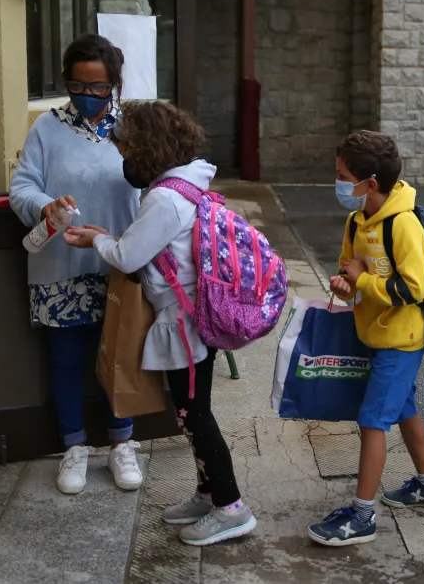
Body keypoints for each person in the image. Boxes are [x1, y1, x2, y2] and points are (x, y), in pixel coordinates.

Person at [64, 100, 256, 546]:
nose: (124, 158)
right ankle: (209, 493)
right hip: (187, 317)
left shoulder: (166, 198)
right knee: (191, 410)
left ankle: (232, 508)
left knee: (195, 414)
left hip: (184, 324)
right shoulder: (181, 187)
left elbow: (129, 255)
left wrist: (97, 239)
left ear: (147, 147)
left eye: (127, 148)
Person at [9, 33, 142, 495]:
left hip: (119, 265)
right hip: (60, 264)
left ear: (115, 85)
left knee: (120, 357)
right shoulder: (47, 128)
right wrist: (44, 204)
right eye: (78, 86)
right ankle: (74, 447)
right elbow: (21, 187)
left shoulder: (135, 128)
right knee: (66, 360)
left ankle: (122, 443)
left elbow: (156, 188)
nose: (87, 97)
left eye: (98, 88)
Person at [307, 130, 424, 546]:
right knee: (403, 408)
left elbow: (416, 290)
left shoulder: (403, 225)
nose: (339, 183)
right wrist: (345, 286)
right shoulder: (357, 219)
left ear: (370, 183)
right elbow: (349, 272)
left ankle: (362, 515)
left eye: (343, 176)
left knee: (372, 420)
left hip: (401, 340)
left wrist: (362, 279)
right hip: (373, 333)